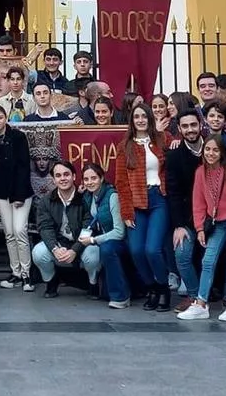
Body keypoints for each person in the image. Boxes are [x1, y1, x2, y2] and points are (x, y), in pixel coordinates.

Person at [178, 136, 226, 322]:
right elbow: (198, 202)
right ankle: (201, 303)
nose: (211, 153)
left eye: (215, 150)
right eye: (207, 149)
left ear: (222, 153)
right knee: (208, 261)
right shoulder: (200, 172)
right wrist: (200, 227)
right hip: (215, 222)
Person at [113, 104, 170, 310]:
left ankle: (163, 288)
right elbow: (120, 181)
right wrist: (126, 210)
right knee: (136, 250)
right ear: (132, 120)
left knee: (152, 249)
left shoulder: (162, 139)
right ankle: (151, 287)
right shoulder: (124, 146)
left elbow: (178, 149)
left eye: (144, 116)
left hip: (158, 199)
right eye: (136, 116)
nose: (140, 120)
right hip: (136, 202)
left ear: (150, 118)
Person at [0, 105, 34, 290]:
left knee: (20, 230)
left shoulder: (18, 137)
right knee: (9, 233)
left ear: (6, 118)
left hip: (20, 193)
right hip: (0, 193)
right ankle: (16, 272)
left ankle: (27, 275)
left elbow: (23, 166)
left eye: (0, 117)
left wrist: (19, 194)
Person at [31, 160, 100, 296]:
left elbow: (88, 226)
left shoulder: (85, 198)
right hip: (59, 243)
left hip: (82, 243)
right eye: (58, 175)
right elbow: (45, 228)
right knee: (38, 253)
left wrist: (75, 249)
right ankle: (51, 281)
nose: (63, 178)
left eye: (66, 174)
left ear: (74, 176)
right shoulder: (46, 201)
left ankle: (93, 283)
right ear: (53, 179)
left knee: (94, 255)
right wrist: (55, 249)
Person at [165, 110, 206, 303]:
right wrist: (179, 225)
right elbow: (173, 193)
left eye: (193, 125)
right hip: (189, 218)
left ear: (200, 124)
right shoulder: (174, 156)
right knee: (181, 253)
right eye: (185, 126)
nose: (190, 130)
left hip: (216, 217)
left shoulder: (214, 149)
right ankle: (194, 295)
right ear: (180, 129)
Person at [80, 163, 128, 307]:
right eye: (86, 179)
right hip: (102, 239)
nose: (90, 182)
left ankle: (121, 298)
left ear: (101, 178)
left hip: (117, 241)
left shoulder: (112, 196)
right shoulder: (88, 196)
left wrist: (93, 240)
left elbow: (119, 232)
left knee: (107, 249)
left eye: (93, 178)